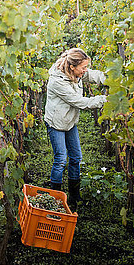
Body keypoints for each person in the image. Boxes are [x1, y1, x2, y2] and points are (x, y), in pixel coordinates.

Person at [44, 48, 107, 211]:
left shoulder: (76, 73)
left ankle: (74, 197)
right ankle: (55, 200)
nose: (85, 70)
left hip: (70, 122)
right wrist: (104, 100)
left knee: (76, 157)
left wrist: (109, 79)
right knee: (60, 159)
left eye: (86, 67)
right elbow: (79, 102)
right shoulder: (57, 81)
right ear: (72, 66)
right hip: (56, 123)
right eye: (83, 67)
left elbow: (92, 75)